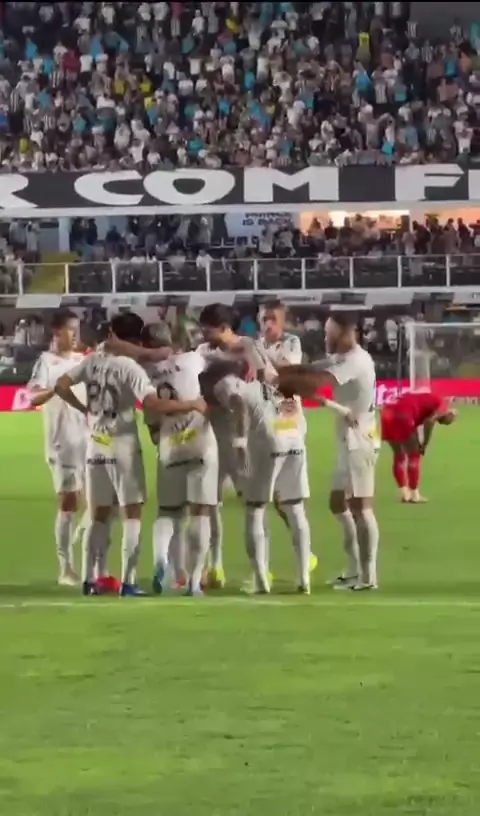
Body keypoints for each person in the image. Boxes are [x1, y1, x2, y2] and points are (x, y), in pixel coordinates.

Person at [54, 313, 208, 597]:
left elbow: (60, 385)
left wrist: (84, 409)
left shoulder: (91, 361)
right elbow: (153, 404)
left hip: (95, 443)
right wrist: (190, 405)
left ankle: (89, 580)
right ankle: (129, 580)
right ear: (134, 339)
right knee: (132, 513)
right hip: (122, 443)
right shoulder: (130, 368)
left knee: (99, 515)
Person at [281, 313, 380, 591]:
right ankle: (354, 569)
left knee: (362, 507)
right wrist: (281, 370)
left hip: (360, 437)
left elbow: (318, 380)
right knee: (338, 503)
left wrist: (285, 382)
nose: (326, 338)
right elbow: (311, 368)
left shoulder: (355, 361)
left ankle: (368, 576)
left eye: (330, 333)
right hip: (347, 436)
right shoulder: (341, 357)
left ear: (347, 332)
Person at [212, 369, 312, 595]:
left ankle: (260, 580)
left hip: (269, 442)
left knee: (255, 509)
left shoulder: (237, 385)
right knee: (296, 509)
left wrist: (240, 443)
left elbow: (238, 404)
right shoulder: (282, 385)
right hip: (295, 440)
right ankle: (304, 577)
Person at [141, 323, 219, 597]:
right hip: (200, 443)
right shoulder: (193, 360)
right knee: (200, 512)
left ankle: (162, 559)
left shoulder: (146, 376)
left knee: (168, 512)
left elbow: (152, 429)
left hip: (169, 446)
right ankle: (195, 582)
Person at [27, 309, 87, 586]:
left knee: (100, 503)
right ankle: (66, 568)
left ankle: (77, 545)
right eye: (70, 329)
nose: (75, 335)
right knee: (68, 502)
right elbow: (33, 398)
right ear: (57, 332)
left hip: (88, 440)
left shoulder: (82, 361)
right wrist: (56, 389)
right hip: (62, 442)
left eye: (77, 329)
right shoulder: (46, 362)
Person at [381, 391, 457, 503]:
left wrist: (423, 442)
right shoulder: (442, 404)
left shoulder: (433, 401)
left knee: (399, 455)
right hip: (403, 413)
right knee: (414, 455)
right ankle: (414, 495)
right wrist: (424, 445)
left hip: (387, 411)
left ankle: (405, 493)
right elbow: (429, 421)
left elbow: (428, 420)